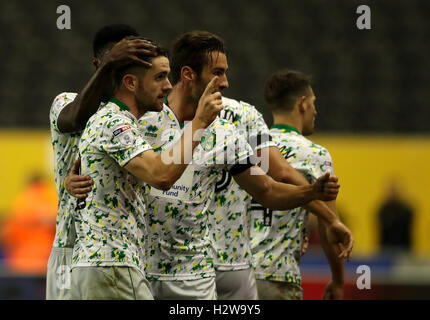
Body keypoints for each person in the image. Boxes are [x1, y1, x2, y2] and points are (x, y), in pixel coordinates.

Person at [66, 31, 351, 300]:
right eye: (218, 73)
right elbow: (97, 150)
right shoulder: (140, 118)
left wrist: (311, 194)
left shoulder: (224, 132)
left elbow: (267, 190)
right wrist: (71, 180)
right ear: (189, 74)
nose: (225, 82)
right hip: (138, 266)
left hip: (195, 275)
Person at [70, 37, 223, 300]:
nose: (167, 85)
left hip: (100, 265)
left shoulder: (111, 121)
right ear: (131, 82)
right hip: (114, 265)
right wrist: (199, 123)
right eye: (160, 77)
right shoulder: (114, 123)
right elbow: (161, 176)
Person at [47, 24, 157, 300]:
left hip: (125, 249)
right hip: (71, 248)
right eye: (115, 63)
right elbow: (73, 121)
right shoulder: (66, 102)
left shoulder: (143, 116)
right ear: (98, 64)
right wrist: (110, 65)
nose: (122, 71)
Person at [250, 69, 346, 300]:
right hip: (278, 277)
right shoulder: (314, 155)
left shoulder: (251, 146)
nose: (316, 110)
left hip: (235, 275)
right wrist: (339, 280)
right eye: (313, 102)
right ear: (302, 104)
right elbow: (328, 226)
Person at [378, 179, 414, 252]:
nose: (394, 194)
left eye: (395, 190)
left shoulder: (407, 210)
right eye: (392, 191)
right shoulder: (382, 210)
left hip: (404, 250)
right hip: (386, 250)